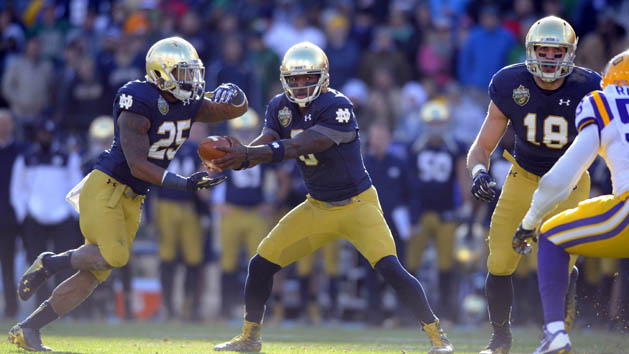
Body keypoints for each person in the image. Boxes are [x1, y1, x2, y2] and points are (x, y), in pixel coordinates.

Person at [8, 37, 247, 352]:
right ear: (161, 73)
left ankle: (28, 330)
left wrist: (237, 94)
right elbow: (137, 164)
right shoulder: (137, 98)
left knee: (94, 275)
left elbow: (235, 109)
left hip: (134, 197)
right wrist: (186, 183)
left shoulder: (188, 103)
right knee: (115, 257)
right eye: (184, 73)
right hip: (107, 186)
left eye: (193, 73)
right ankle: (51, 262)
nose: (192, 81)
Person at [212, 41, 453, 354]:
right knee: (261, 264)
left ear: (323, 77)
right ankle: (249, 338)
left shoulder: (337, 105)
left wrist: (250, 153)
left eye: (307, 78)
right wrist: (238, 158)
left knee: (391, 269)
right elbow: (268, 141)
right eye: (294, 79)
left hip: (357, 205)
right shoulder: (279, 107)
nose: (300, 85)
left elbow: (302, 145)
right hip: (317, 206)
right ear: (284, 79)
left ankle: (438, 337)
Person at [466, 16, 601, 354]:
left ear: (570, 54)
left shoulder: (590, 86)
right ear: (530, 50)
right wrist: (479, 172)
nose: (549, 59)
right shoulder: (511, 83)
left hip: (570, 182)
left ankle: (557, 337)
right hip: (522, 177)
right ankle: (500, 340)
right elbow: (481, 147)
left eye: (558, 52)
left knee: (561, 262)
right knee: (498, 261)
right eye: (543, 50)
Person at [511, 49, 629, 354]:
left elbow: (563, 176)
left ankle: (555, 333)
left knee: (551, 235)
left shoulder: (603, 101)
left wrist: (530, 220)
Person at [406, 99, 470, 322]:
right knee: (411, 261)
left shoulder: (455, 147)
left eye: (439, 122)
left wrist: (466, 205)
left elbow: (463, 177)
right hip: (421, 213)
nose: (435, 127)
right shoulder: (415, 146)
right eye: (431, 122)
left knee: (446, 263)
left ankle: (446, 310)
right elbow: (408, 181)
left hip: (446, 213)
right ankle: (409, 311)